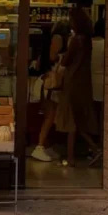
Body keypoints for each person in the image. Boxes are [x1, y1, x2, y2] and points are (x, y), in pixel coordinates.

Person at [55, 8, 99, 166]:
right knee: (79, 118)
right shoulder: (87, 39)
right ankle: (88, 150)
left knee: (72, 120)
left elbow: (66, 61)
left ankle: (74, 156)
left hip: (72, 80)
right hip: (84, 81)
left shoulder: (76, 40)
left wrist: (61, 59)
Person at [30, 19, 70, 163]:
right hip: (49, 82)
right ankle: (39, 147)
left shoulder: (50, 38)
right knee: (50, 115)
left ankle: (45, 145)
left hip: (46, 80)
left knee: (50, 115)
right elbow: (52, 57)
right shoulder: (58, 38)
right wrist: (63, 57)